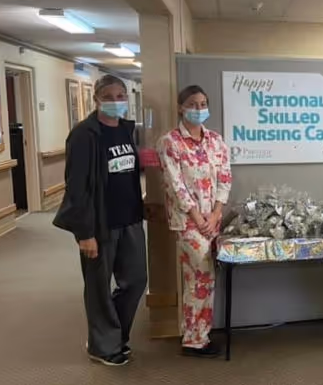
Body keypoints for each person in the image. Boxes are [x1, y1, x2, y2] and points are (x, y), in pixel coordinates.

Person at [53, 74, 146, 367]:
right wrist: (84, 233)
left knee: (136, 281)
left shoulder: (127, 130)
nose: (116, 102)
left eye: (121, 96)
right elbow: (77, 187)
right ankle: (103, 346)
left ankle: (112, 335)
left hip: (130, 220)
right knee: (98, 286)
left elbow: (130, 175)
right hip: (99, 225)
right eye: (109, 97)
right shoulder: (84, 134)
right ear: (96, 99)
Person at [158, 85, 232, 357]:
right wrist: (198, 218)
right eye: (192, 104)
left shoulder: (216, 140)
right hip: (188, 222)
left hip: (212, 219)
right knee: (200, 277)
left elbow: (224, 177)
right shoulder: (170, 142)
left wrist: (215, 213)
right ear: (181, 107)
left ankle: (199, 335)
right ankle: (195, 340)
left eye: (203, 104)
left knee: (206, 278)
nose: (198, 109)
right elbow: (175, 186)